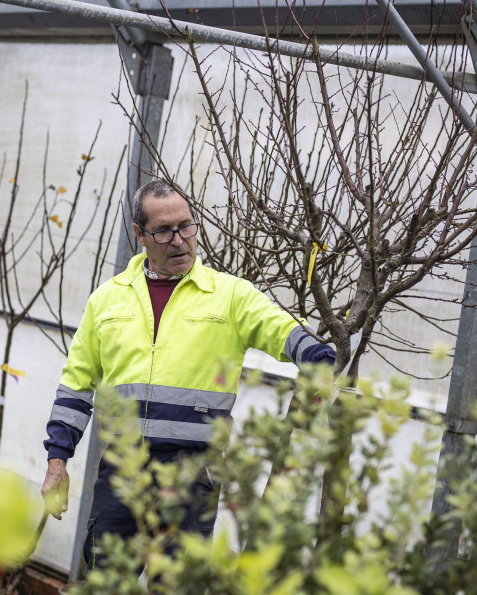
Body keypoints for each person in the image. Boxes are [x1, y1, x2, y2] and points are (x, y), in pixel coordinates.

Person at [41, 179, 335, 570]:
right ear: (140, 235)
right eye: (163, 230)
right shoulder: (107, 300)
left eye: (186, 226)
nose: (179, 240)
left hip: (194, 475)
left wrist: (318, 361)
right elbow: (76, 388)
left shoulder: (230, 296)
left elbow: (290, 335)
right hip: (121, 473)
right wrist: (57, 460)